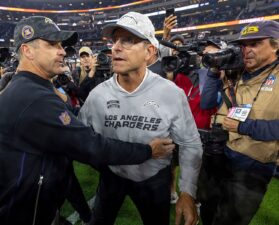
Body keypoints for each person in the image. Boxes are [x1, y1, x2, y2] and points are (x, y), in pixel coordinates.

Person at [0, 16, 173, 225]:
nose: (62, 51)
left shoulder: (31, 88)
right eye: (52, 44)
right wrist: (147, 151)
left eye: (61, 45)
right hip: (21, 214)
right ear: (27, 51)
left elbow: (71, 122)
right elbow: (91, 146)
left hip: (24, 205)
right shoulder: (34, 97)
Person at [78, 12, 202, 225]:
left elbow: (190, 143)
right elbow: (81, 138)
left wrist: (188, 192)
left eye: (128, 40)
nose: (116, 47)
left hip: (154, 180)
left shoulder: (171, 93)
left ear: (149, 51)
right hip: (111, 176)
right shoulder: (98, 95)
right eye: (115, 40)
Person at [200, 20, 279, 225]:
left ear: (275, 45)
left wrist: (244, 127)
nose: (247, 50)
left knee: (230, 220)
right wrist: (214, 72)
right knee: (207, 212)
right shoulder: (235, 72)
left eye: (255, 44)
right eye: (244, 45)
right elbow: (207, 102)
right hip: (222, 154)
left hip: (253, 165)